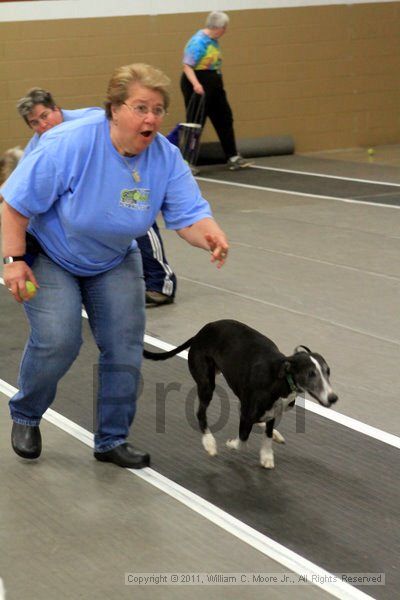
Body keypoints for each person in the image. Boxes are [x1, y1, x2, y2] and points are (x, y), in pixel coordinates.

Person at [1, 63, 228, 469]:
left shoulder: (165, 157)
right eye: (141, 107)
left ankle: (111, 440)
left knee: (124, 345)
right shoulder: (68, 143)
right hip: (51, 254)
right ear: (114, 109)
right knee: (59, 337)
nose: (152, 119)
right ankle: (27, 414)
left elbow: (189, 215)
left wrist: (209, 233)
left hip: (113, 257)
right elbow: (14, 207)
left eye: (158, 110)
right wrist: (14, 262)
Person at [16, 87, 178, 306]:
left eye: (44, 116)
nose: (42, 124)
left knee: (140, 218)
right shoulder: (39, 142)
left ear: (56, 108)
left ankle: (161, 281)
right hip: (84, 200)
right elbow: (18, 186)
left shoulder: (92, 120)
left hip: (123, 185)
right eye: (35, 123)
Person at [180, 11, 253, 172]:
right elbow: (187, 66)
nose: (225, 31)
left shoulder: (213, 41)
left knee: (225, 118)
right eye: (224, 28)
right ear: (217, 27)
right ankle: (186, 162)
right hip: (198, 86)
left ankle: (232, 157)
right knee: (195, 124)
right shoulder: (198, 41)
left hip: (214, 86)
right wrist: (196, 85)